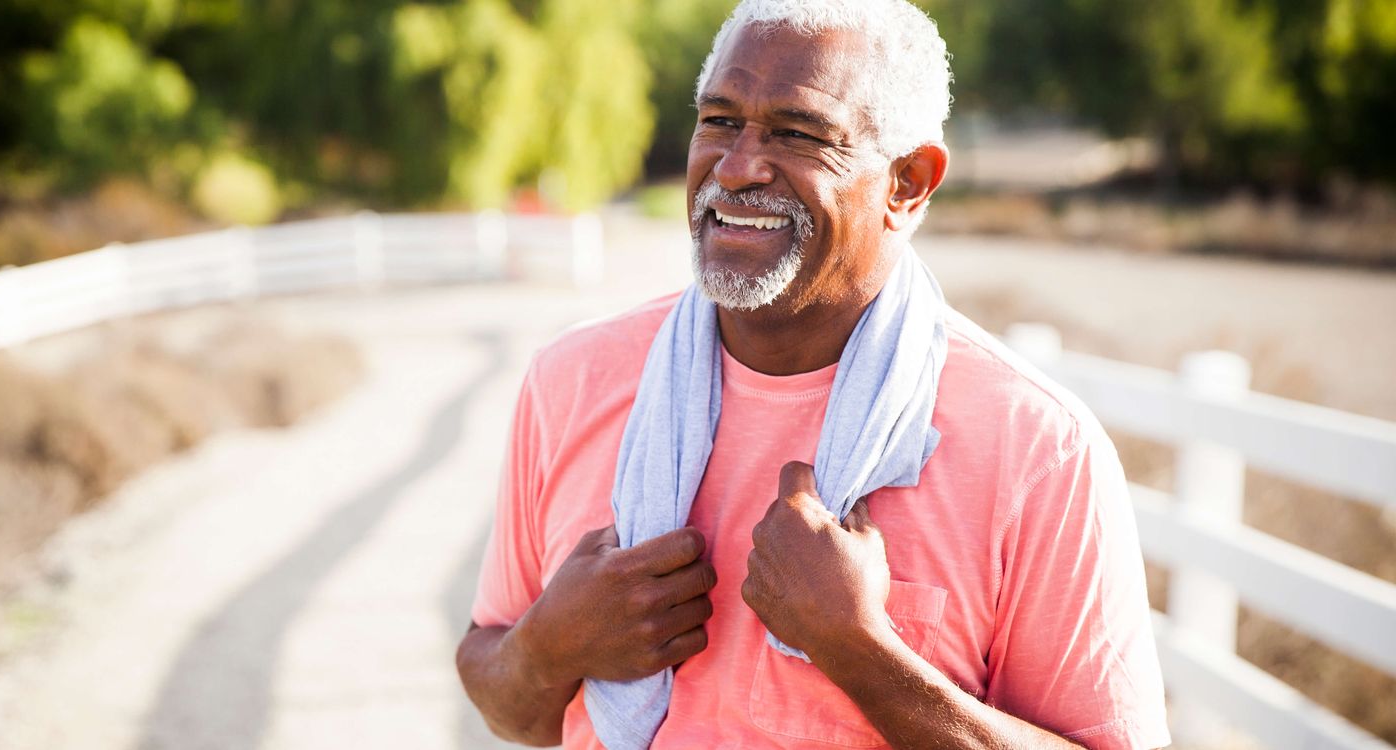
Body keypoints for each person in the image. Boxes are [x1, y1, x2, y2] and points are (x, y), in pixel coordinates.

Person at [456, 1, 1171, 748]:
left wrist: (861, 651)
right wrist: (548, 647)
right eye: (720, 121)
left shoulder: (1036, 448)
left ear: (909, 182)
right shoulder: (571, 380)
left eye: (797, 133)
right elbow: (507, 707)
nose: (736, 169)